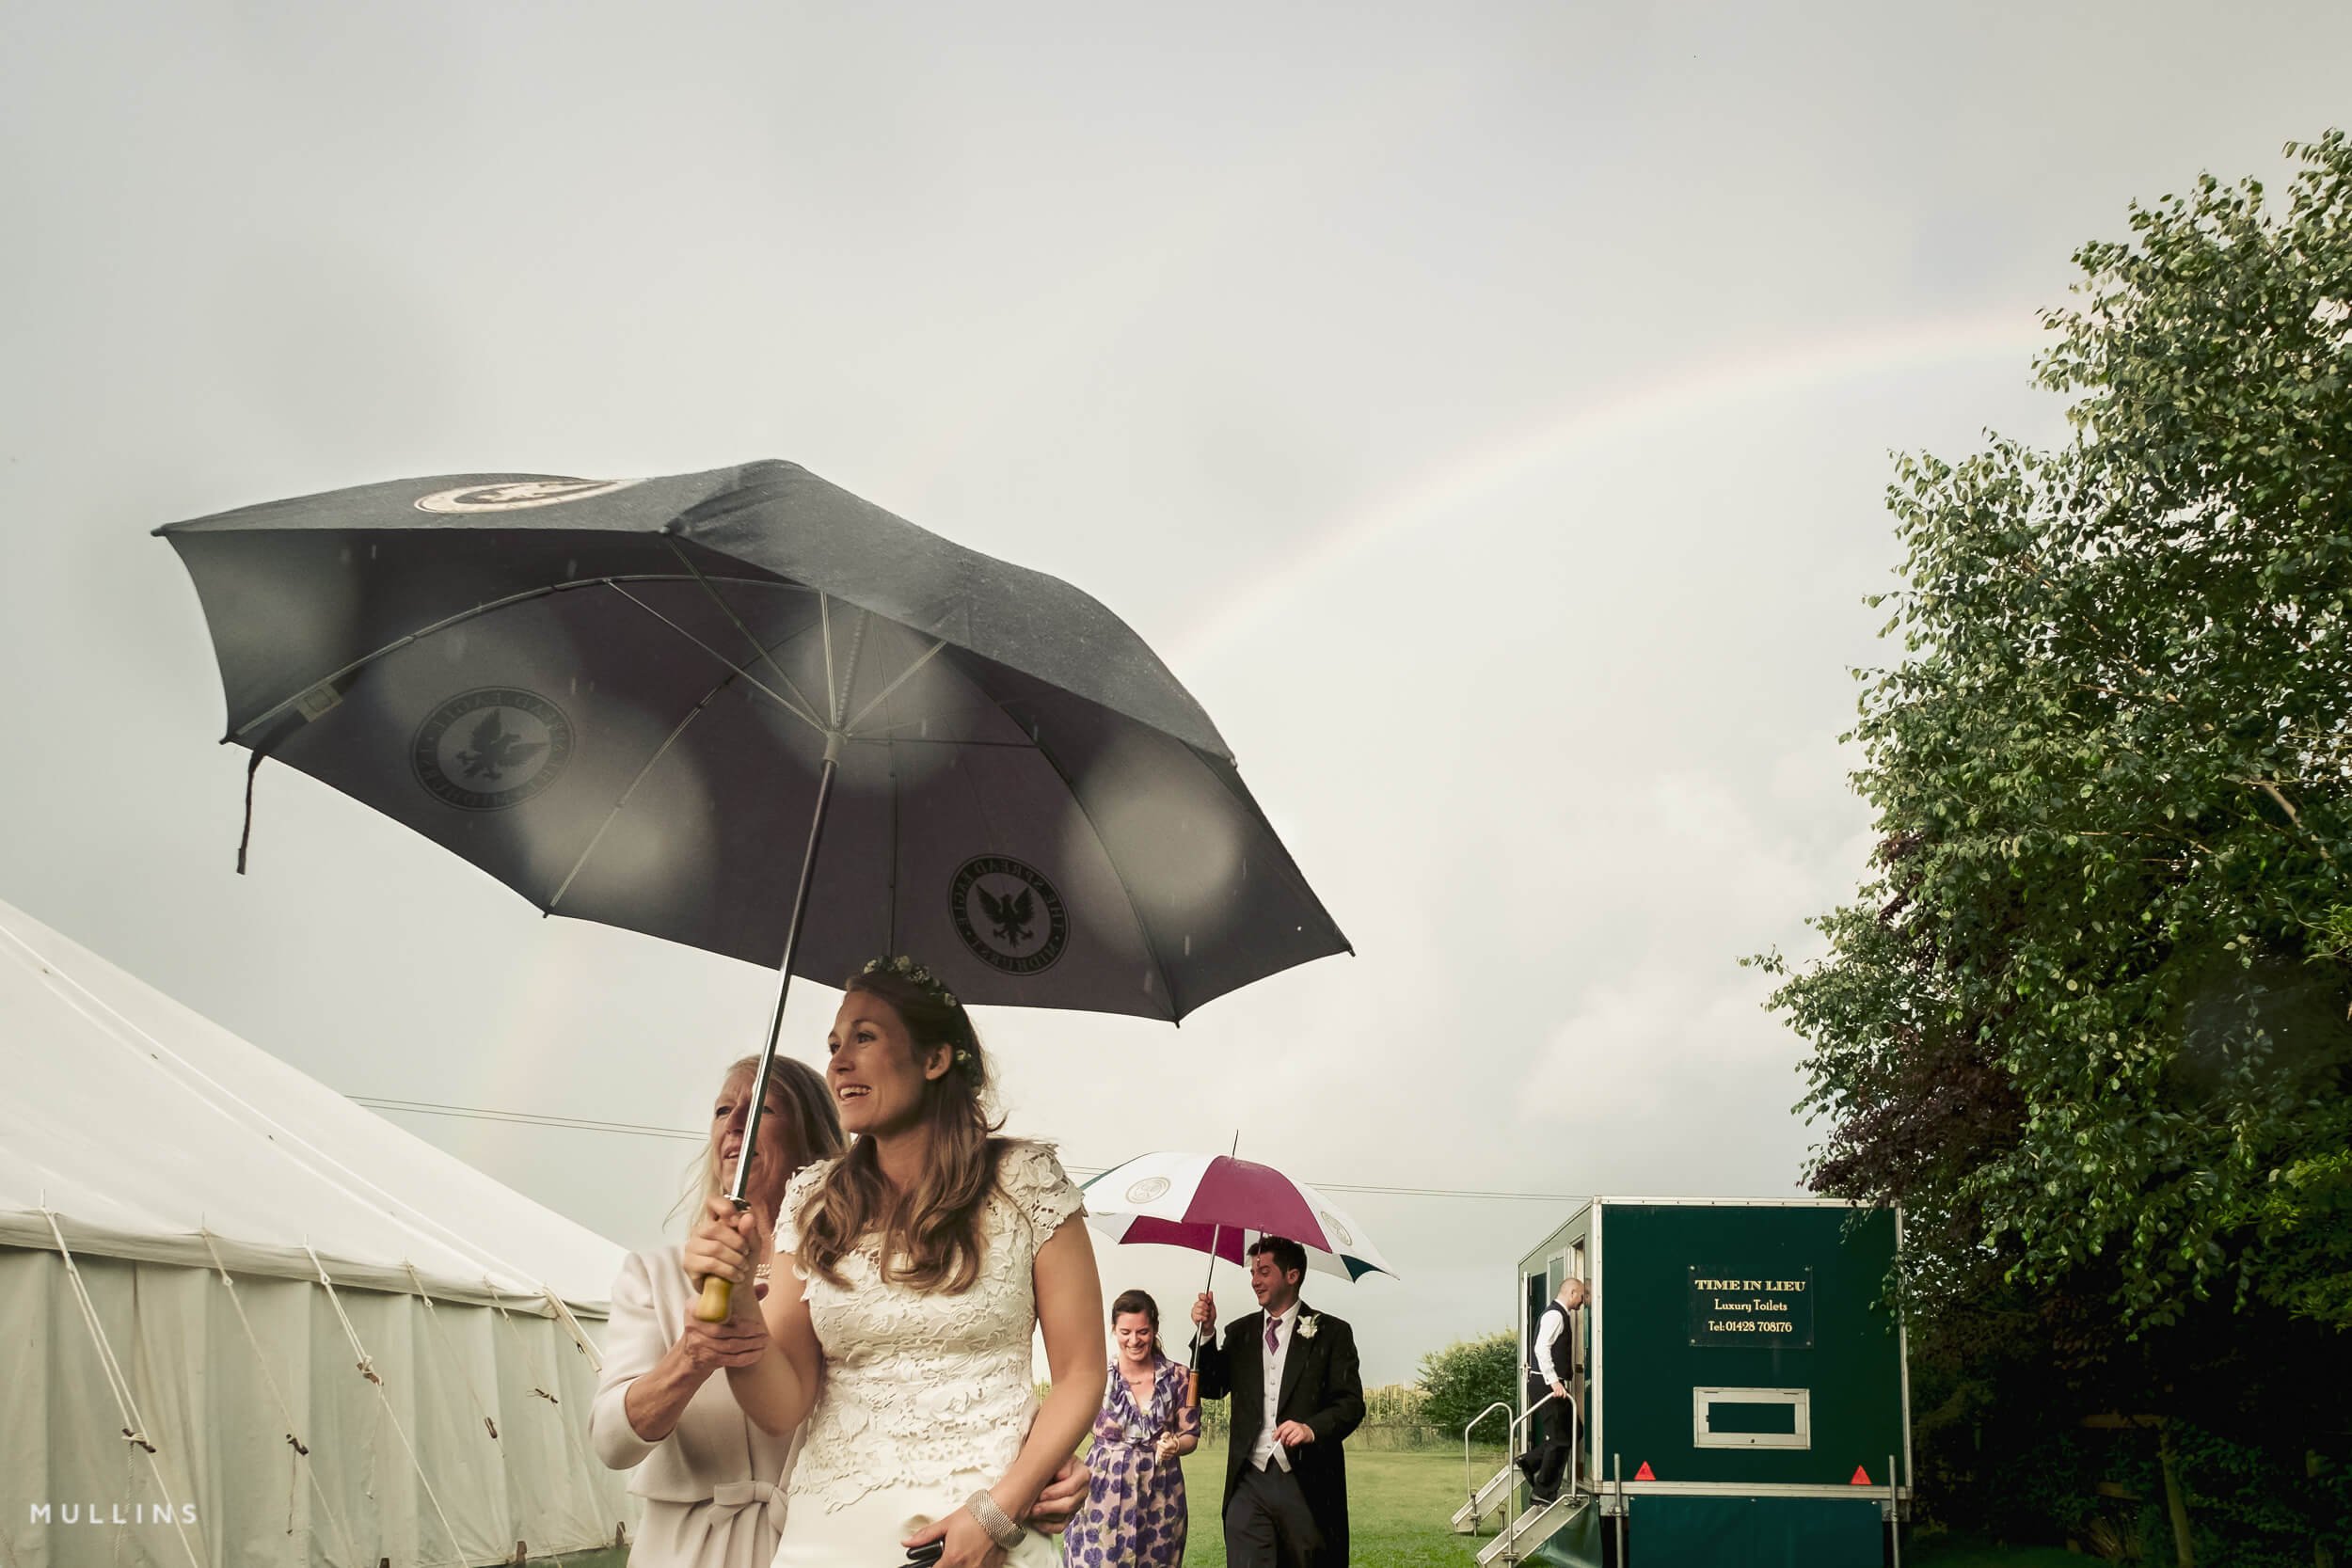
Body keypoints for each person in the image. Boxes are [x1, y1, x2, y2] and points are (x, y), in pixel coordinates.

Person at [593, 1050, 1090, 1568]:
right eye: (722, 1111)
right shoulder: (657, 1277)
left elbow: (922, 1370)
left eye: (761, 1107)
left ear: (810, 1129)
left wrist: (1032, 1463)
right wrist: (690, 1357)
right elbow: (611, 1443)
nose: (735, 1123)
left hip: (826, 1534)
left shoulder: (856, 1269)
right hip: (689, 1551)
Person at [691, 956, 1105, 1568]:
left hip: (979, 1528)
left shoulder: (1027, 1181)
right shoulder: (811, 1201)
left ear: (935, 1058)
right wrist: (734, 1314)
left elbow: (1080, 1373)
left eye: (864, 1036)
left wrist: (996, 1515)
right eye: (833, 1043)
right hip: (828, 1536)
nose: (837, 1062)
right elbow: (783, 1402)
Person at [1190, 1236, 1365, 1568]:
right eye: (1253, 1272)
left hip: (1306, 1482)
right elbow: (1212, 1386)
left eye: (1265, 1271)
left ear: (1292, 1275)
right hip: (1248, 1480)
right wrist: (1207, 1333)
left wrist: (1311, 1429)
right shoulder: (1239, 1332)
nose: (1255, 1280)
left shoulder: (1333, 1333)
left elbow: (1351, 1404)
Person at [1064, 1290, 1199, 1568]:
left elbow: (1191, 1435)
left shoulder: (1180, 1377)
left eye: (1143, 1332)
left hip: (1161, 1496)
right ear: (1114, 1330)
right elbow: (1067, 1425)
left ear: (1155, 1329)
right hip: (1101, 1495)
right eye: (1126, 1332)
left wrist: (1175, 1444)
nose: (1134, 1340)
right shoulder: (1095, 1375)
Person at [1515, 1277, 1589, 1504]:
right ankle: (1543, 1492)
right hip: (1546, 1384)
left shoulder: (1560, 1314)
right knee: (1560, 1438)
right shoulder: (1555, 1315)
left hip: (1550, 1384)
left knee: (1574, 1430)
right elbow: (1541, 1347)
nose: (1583, 1302)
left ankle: (1530, 1462)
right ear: (1572, 1292)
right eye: (1582, 1296)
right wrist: (1554, 1381)